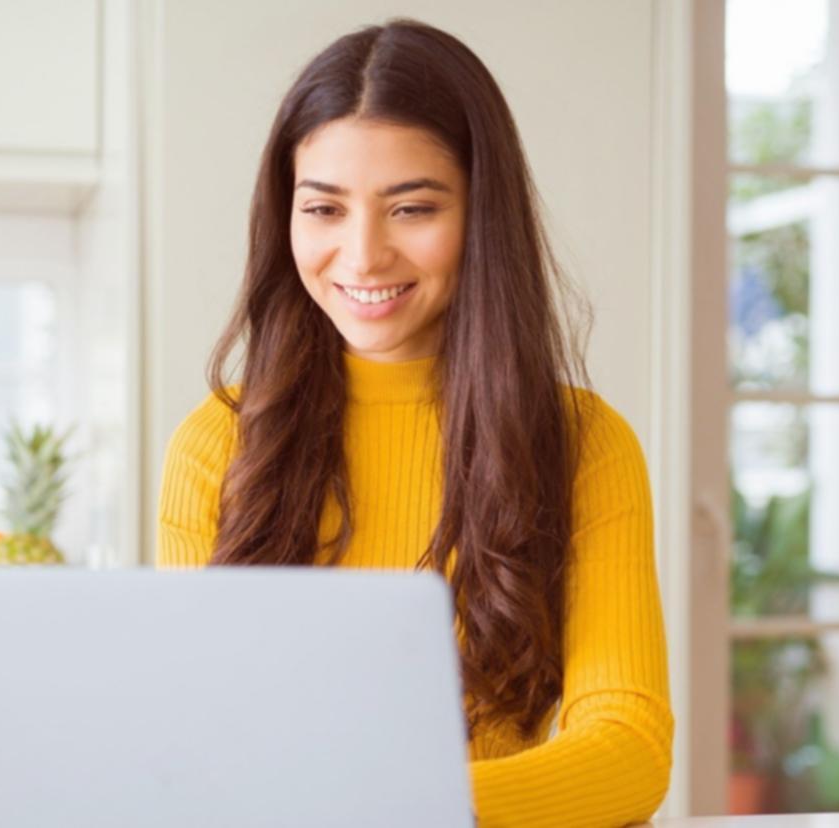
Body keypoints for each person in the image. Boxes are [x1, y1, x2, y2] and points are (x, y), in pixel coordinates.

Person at [157, 18, 672, 828]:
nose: (361, 257)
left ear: (481, 214)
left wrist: (400, 809)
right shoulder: (217, 444)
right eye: (324, 209)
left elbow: (629, 749)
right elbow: (193, 747)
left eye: (411, 208)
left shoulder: (582, 443)